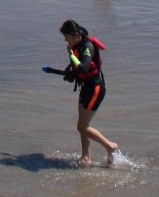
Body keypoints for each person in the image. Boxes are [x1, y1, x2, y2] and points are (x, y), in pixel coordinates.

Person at [44, 19, 118, 167]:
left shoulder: (87, 46)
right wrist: (71, 75)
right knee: (83, 124)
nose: (65, 40)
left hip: (95, 89)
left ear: (76, 35)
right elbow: (78, 70)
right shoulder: (76, 44)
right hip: (85, 87)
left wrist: (70, 55)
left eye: (66, 37)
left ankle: (110, 146)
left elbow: (84, 68)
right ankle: (86, 157)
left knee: (82, 127)